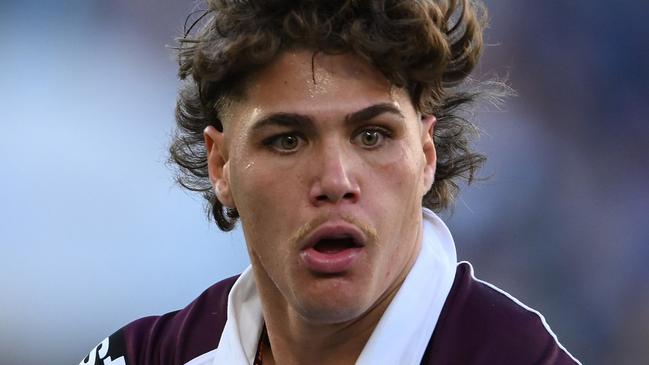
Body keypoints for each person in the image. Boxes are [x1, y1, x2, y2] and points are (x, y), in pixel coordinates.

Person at [80, 0, 581, 364]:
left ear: (425, 156)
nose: (335, 181)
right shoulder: (149, 356)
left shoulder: (517, 357)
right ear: (221, 165)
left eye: (372, 135)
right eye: (288, 141)